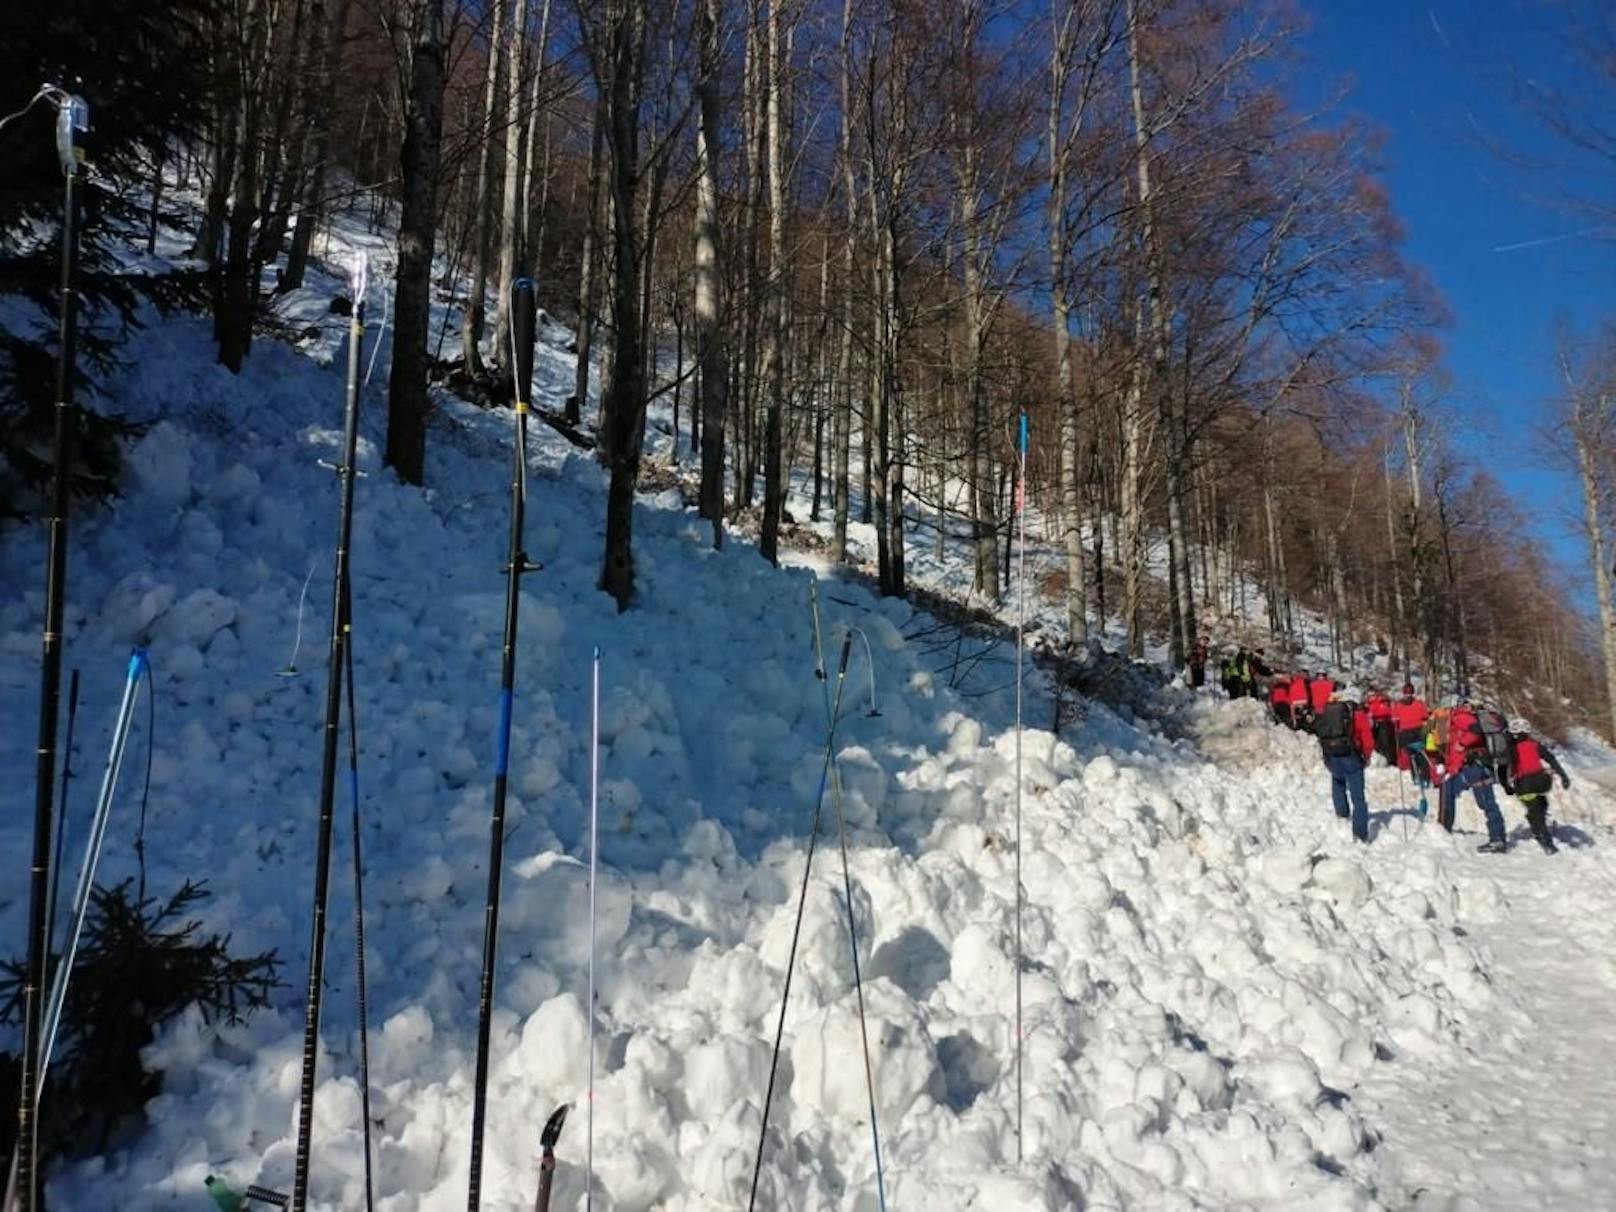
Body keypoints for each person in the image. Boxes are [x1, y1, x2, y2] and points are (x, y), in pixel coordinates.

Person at [1436, 699, 1509, 852]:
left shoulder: (1460, 716)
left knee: (1484, 802)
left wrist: (1462, 743)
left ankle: (1497, 839)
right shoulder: (1467, 716)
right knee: (1449, 789)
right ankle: (1443, 831)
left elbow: (1474, 731)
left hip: (1475, 767)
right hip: (1476, 766)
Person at [1314, 688, 1375, 842]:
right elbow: (1368, 741)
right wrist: (1366, 757)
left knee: (1338, 782)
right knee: (1358, 798)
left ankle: (1341, 816)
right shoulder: (1358, 715)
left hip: (1332, 756)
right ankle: (1360, 834)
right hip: (1351, 757)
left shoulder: (1329, 713)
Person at [1499, 730, 1572, 854]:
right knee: (1539, 809)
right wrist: (1563, 776)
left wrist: (1506, 786)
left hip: (1523, 785)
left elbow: (1502, 769)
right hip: (1540, 783)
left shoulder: (1510, 749)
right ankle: (1546, 842)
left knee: (1537, 809)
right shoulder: (1534, 745)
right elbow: (1551, 759)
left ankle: (1538, 832)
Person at [1390, 682, 1429, 780]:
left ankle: (1415, 775)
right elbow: (1425, 717)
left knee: (1411, 755)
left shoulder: (1398, 705)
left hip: (1405, 733)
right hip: (1418, 732)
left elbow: (1395, 720)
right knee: (1421, 753)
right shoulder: (1419, 703)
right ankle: (1424, 776)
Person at [1366, 686, 1397, 764]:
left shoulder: (1380, 702)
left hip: (1383, 724)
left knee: (1385, 743)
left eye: (1372, 695)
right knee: (1378, 743)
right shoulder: (1370, 704)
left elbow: (1387, 712)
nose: (1370, 697)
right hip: (1376, 725)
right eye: (1369, 695)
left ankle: (1389, 760)